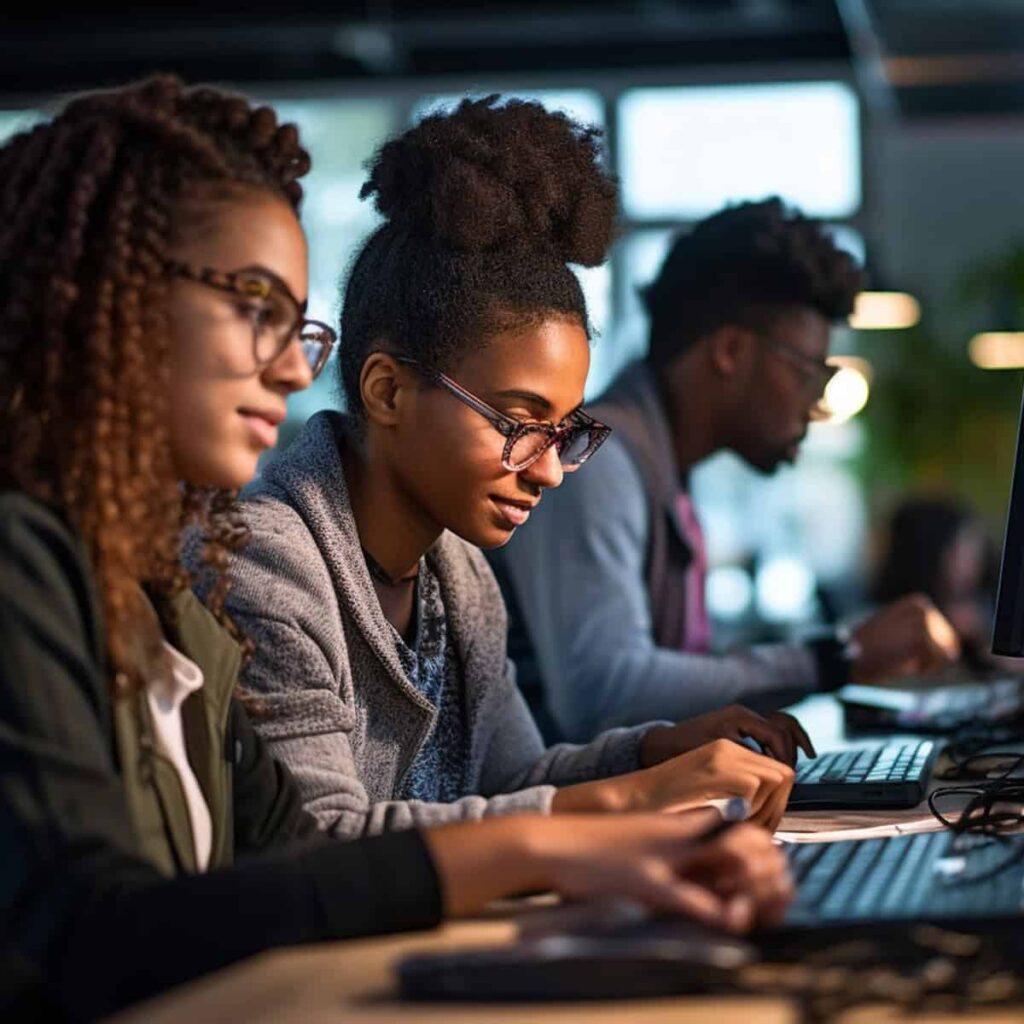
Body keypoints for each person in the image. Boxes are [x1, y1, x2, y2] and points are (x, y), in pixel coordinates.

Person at [0, 77, 792, 1022]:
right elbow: (109, 926)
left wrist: (631, 788)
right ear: (109, 297)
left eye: (297, 326)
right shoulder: (59, 562)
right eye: (255, 304)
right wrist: (571, 834)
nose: (295, 367)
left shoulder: (163, 588)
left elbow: (300, 847)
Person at [212, 98, 808, 846]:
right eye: (520, 423)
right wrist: (634, 798)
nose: (551, 471)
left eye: (563, 432)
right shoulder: (269, 563)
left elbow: (512, 782)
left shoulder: (457, 573)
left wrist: (654, 750)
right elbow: (325, 842)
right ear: (388, 390)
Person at [490, 198, 962, 742]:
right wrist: (833, 658)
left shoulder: (666, 472)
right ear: (731, 350)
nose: (818, 404)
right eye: (809, 373)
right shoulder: (596, 462)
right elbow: (604, 692)